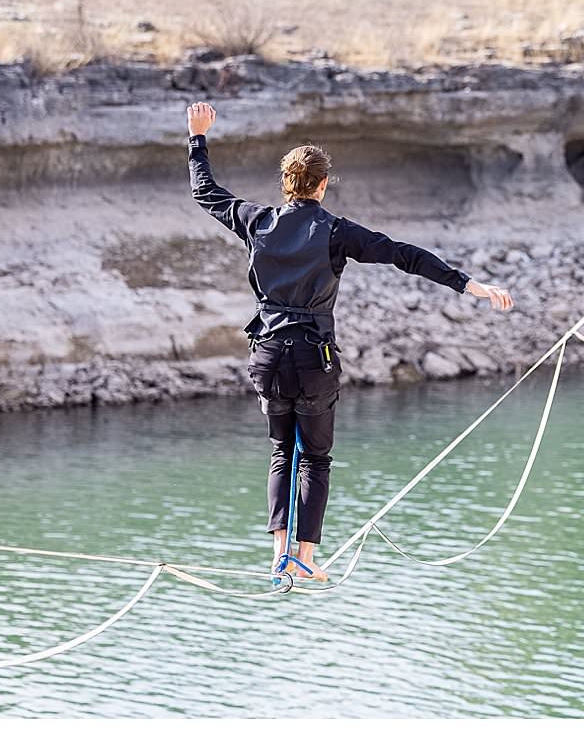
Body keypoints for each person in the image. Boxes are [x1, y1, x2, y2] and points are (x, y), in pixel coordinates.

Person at [185, 101, 514, 581]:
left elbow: (204, 192)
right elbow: (403, 254)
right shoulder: (335, 231)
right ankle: (306, 558)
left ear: (285, 184)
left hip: (268, 355)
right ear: (321, 185)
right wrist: (468, 284)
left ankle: (279, 553)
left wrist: (197, 137)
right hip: (313, 360)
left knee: (282, 452)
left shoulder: (256, 221)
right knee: (314, 457)